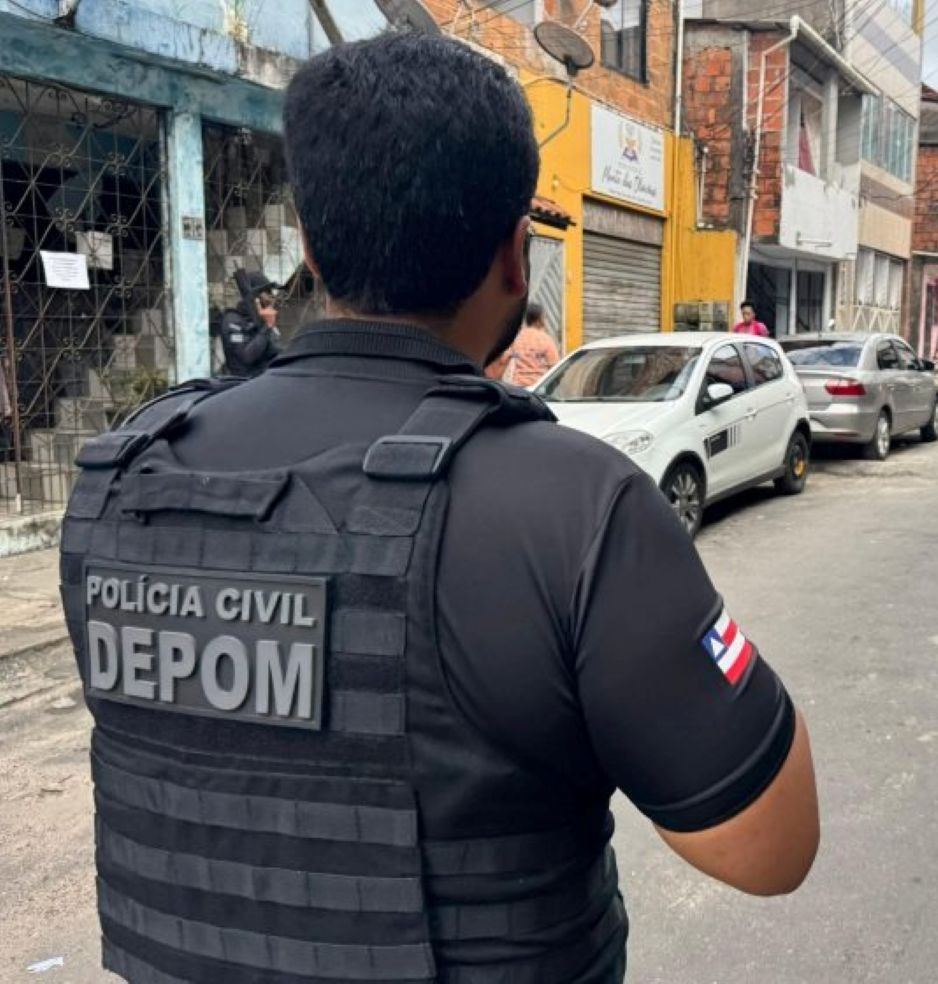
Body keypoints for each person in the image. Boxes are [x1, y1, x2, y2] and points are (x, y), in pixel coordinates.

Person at [59, 35, 819, 984]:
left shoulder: (125, 476)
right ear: (515, 256)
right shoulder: (572, 507)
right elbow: (766, 846)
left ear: (309, 245)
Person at [218, 269, 281, 377]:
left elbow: (274, 351)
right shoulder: (232, 320)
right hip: (241, 382)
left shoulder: (260, 320)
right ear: (256, 298)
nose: (270, 299)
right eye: (267, 293)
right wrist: (267, 326)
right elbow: (247, 356)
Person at [484, 301, 560, 387]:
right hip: (538, 387)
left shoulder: (516, 337)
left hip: (518, 386)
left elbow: (503, 361)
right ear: (540, 319)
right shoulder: (546, 340)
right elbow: (555, 367)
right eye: (544, 317)